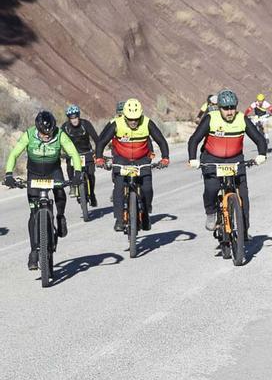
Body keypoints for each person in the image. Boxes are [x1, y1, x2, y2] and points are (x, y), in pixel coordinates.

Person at [4, 111, 82, 269]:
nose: (47, 136)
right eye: (43, 133)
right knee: (33, 214)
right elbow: (14, 154)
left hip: (54, 172)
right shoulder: (29, 135)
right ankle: (33, 252)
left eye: (50, 132)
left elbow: (73, 152)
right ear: (37, 129)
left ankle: (60, 217)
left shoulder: (60, 134)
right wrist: (9, 174)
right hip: (34, 174)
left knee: (60, 192)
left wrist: (78, 173)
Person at [188, 89, 267, 237]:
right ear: (219, 108)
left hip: (235, 159)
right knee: (212, 188)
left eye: (232, 107)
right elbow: (194, 139)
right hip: (211, 159)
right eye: (226, 108)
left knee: (243, 196)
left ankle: (244, 231)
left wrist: (262, 154)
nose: (230, 112)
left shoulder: (242, 119)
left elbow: (259, 138)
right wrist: (193, 158)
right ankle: (211, 213)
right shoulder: (211, 118)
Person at [94, 98, 170, 232]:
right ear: (124, 116)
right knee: (118, 189)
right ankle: (119, 218)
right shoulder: (116, 124)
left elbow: (161, 141)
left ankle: (145, 214)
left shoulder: (147, 123)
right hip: (121, 160)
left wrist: (165, 158)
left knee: (147, 189)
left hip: (142, 160)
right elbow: (101, 141)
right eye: (130, 119)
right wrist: (99, 158)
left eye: (136, 118)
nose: (133, 121)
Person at [61, 104, 99, 207]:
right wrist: (62, 153)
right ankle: (73, 186)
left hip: (87, 152)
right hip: (73, 154)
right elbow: (60, 141)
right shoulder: (64, 127)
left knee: (91, 174)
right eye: (71, 118)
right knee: (69, 168)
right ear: (69, 119)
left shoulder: (85, 124)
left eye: (76, 117)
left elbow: (96, 138)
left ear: (79, 116)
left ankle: (92, 194)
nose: (74, 120)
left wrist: (98, 151)